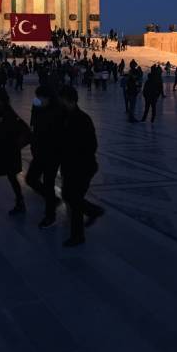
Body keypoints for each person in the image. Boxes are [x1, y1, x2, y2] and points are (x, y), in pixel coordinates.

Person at [58, 85, 104, 247]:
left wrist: (75, 156)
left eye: (62, 99)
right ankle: (92, 211)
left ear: (68, 100)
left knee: (74, 199)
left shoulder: (82, 119)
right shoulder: (67, 116)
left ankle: (78, 234)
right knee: (70, 196)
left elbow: (92, 145)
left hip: (82, 167)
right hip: (71, 166)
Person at [26, 85, 62, 228]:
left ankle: (50, 215)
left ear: (49, 98)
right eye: (37, 97)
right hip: (39, 152)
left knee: (48, 183)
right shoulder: (38, 108)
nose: (38, 99)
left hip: (52, 154)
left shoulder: (57, 112)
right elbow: (33, 125)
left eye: (41, 97)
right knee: (31, 179)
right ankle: (52, 199)